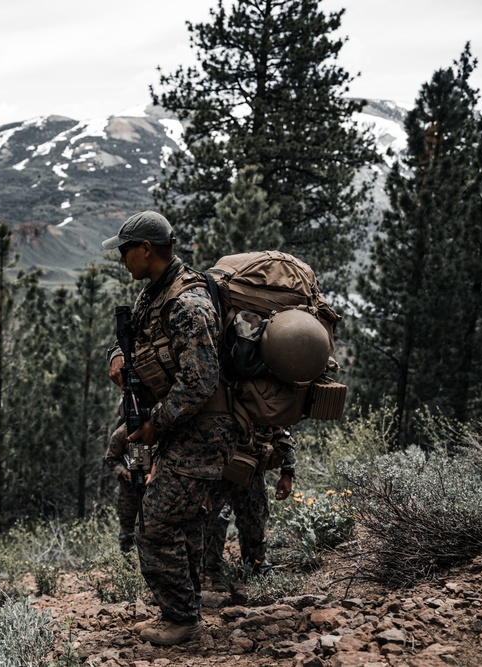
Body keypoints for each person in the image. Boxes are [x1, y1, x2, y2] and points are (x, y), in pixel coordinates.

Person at [104, 210, 241, 646]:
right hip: (183, 428)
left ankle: (182, 620)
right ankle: (186, 610)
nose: (122, 259)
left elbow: (201, 380)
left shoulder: (188, 303)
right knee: (185, 522)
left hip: (201, 431)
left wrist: (155, 426)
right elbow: (138, 339)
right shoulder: (155, 294)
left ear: (146, 249)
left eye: (126, 251)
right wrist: (117, 355)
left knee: (157, 524)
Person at [204, 426, 296, 593]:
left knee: (255, 519)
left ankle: (256, 570)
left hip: (251, 468)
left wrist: (288, 471)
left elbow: (283, 428)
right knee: (211, 520)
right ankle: (210, 574)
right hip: (215, 468)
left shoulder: (263, 401)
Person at [104, 419, 140, 553]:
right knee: (128, 533)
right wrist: (125, 473)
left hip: (153, 489)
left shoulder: (156, 427)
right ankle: (128, 567)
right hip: (128, 491)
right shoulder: (121, 433)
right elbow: (110, 458)